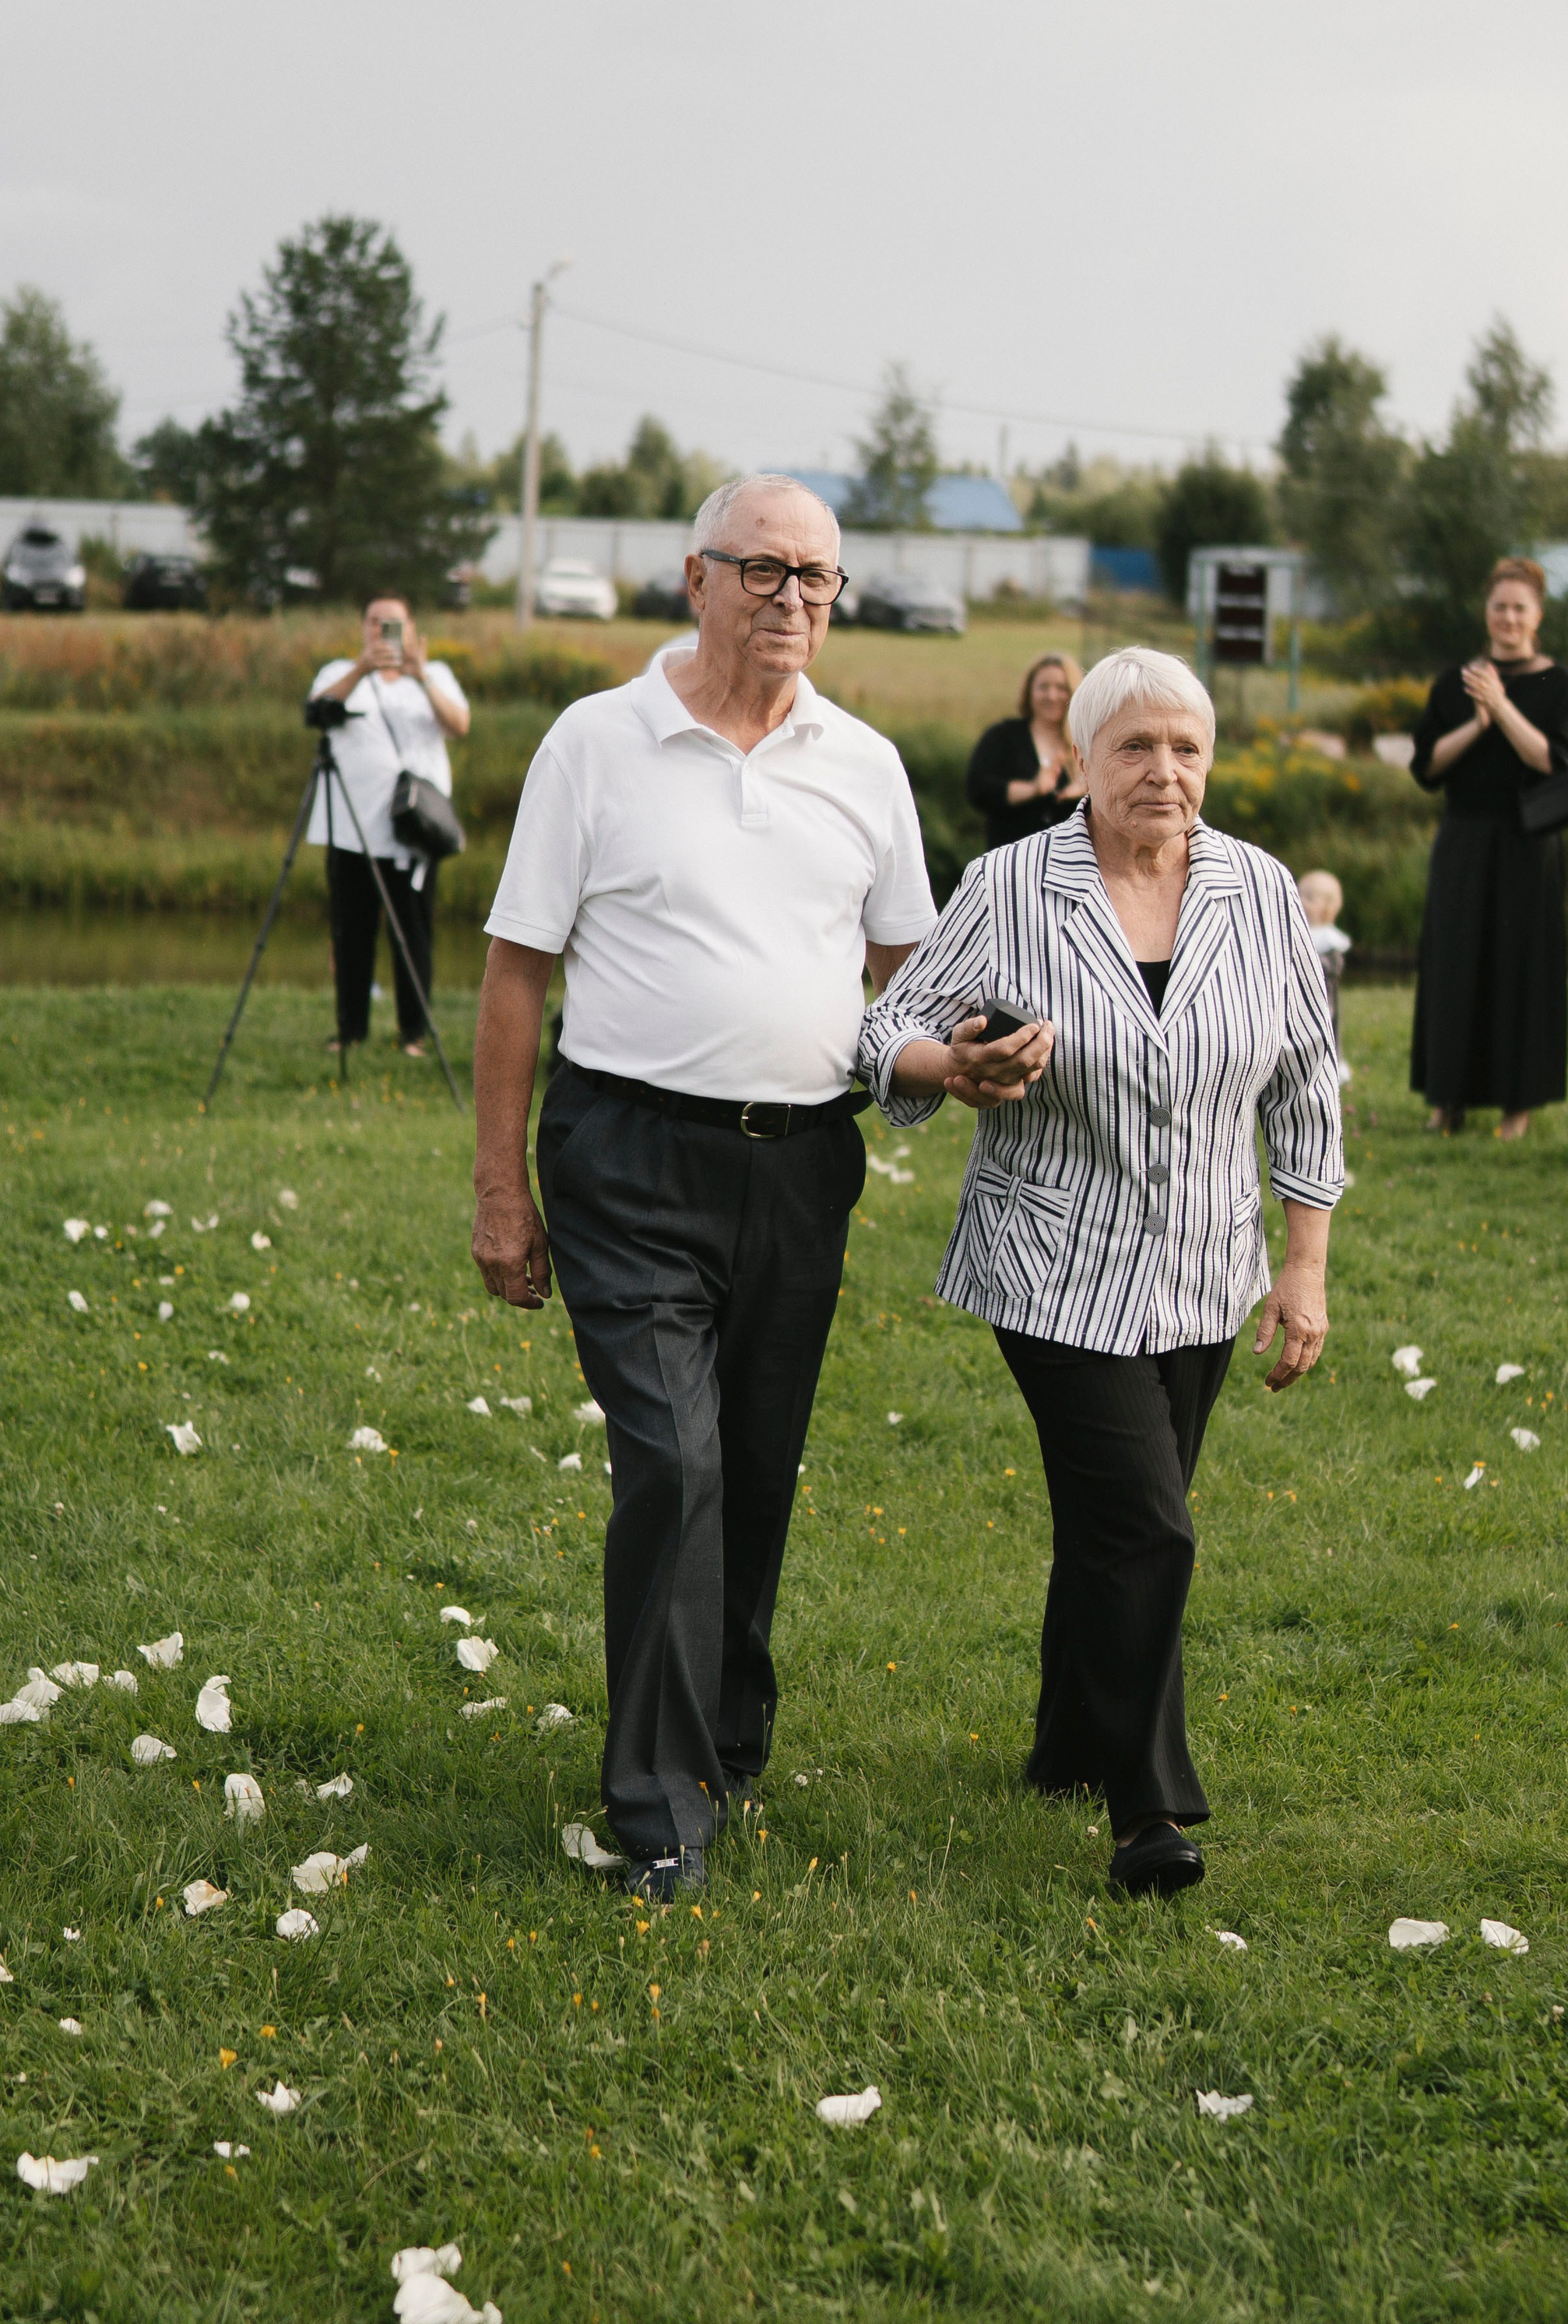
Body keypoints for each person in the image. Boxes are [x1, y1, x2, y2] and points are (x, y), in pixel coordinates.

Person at [471, 476, 936, 1902]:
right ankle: (659, 1803)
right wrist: (499, 1188)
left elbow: (908, 976)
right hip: (628, 1154)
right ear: (698, 578)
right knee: (676, 1460)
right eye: (765, 570)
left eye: (818, 576)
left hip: (801, 1165)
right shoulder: (595, 742)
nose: (794, 598)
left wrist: (954, 1057)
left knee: (755, 1462)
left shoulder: (865, 764)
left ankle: (725, 1734)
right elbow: (516, 970)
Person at [857, 647, 1342, 1900]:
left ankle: (1069, 1742)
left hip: (1205, 1267)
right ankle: (1147, 1811)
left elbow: (1307, 1082)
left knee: (1112, 1520)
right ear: (1080, 758)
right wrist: (954, 1067)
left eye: (1187, 748)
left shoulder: (1260, 889)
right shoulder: (1013, 884)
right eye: (1135, 746)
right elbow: (886, 1026)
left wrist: (1302, 1267)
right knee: (1149, 1525)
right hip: (1051, 1264)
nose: (1164, 771)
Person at [1408, 557, 1568, 1139]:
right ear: (1486, 612)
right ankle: (1446, 1101)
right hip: (1464, 836)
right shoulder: (1454, 682)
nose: (1508, 618)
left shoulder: (1557, 684)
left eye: (1519, 608)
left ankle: (1517, 1108)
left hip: (1528, 841)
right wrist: (1478, 723)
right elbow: (1427, 767)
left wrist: (1503, 707)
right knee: (1453, 965)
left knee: (1521, 969)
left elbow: (1551, 760)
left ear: (1537, 616)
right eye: (1499, 607)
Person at [308, 596, 470, 1058]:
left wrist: (420, 676)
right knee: (351, 933)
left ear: (412, 629)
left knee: (413, 934)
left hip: (411, 833)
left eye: (393, 624)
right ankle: (350, 1031)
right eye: (375, 622)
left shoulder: (435, 675)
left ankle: (413, 1034)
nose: (383, 631)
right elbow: (315, 711)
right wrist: (362, 668)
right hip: (351, 831)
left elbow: (460, 724)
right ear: (362, 627)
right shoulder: (340, 672)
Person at [965, 650, 1084, 849]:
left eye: (1061, 688)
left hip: (1069, 859)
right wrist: (1033, 789)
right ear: (1029, 692)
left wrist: (1087, 791)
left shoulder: (1087, 744)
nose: (1052, 696)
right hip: (1010, 859)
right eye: (1043, 687)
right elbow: (977, 789)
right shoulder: (1002, 736)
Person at [1296, 869, 1351, 1071]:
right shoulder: (1297, 931)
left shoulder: (1328, 941)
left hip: (1322, 1001)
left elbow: (1332, 970)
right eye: (1300, 895)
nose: (1302, 902)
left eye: (1310, 898)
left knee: (1324, 1035)